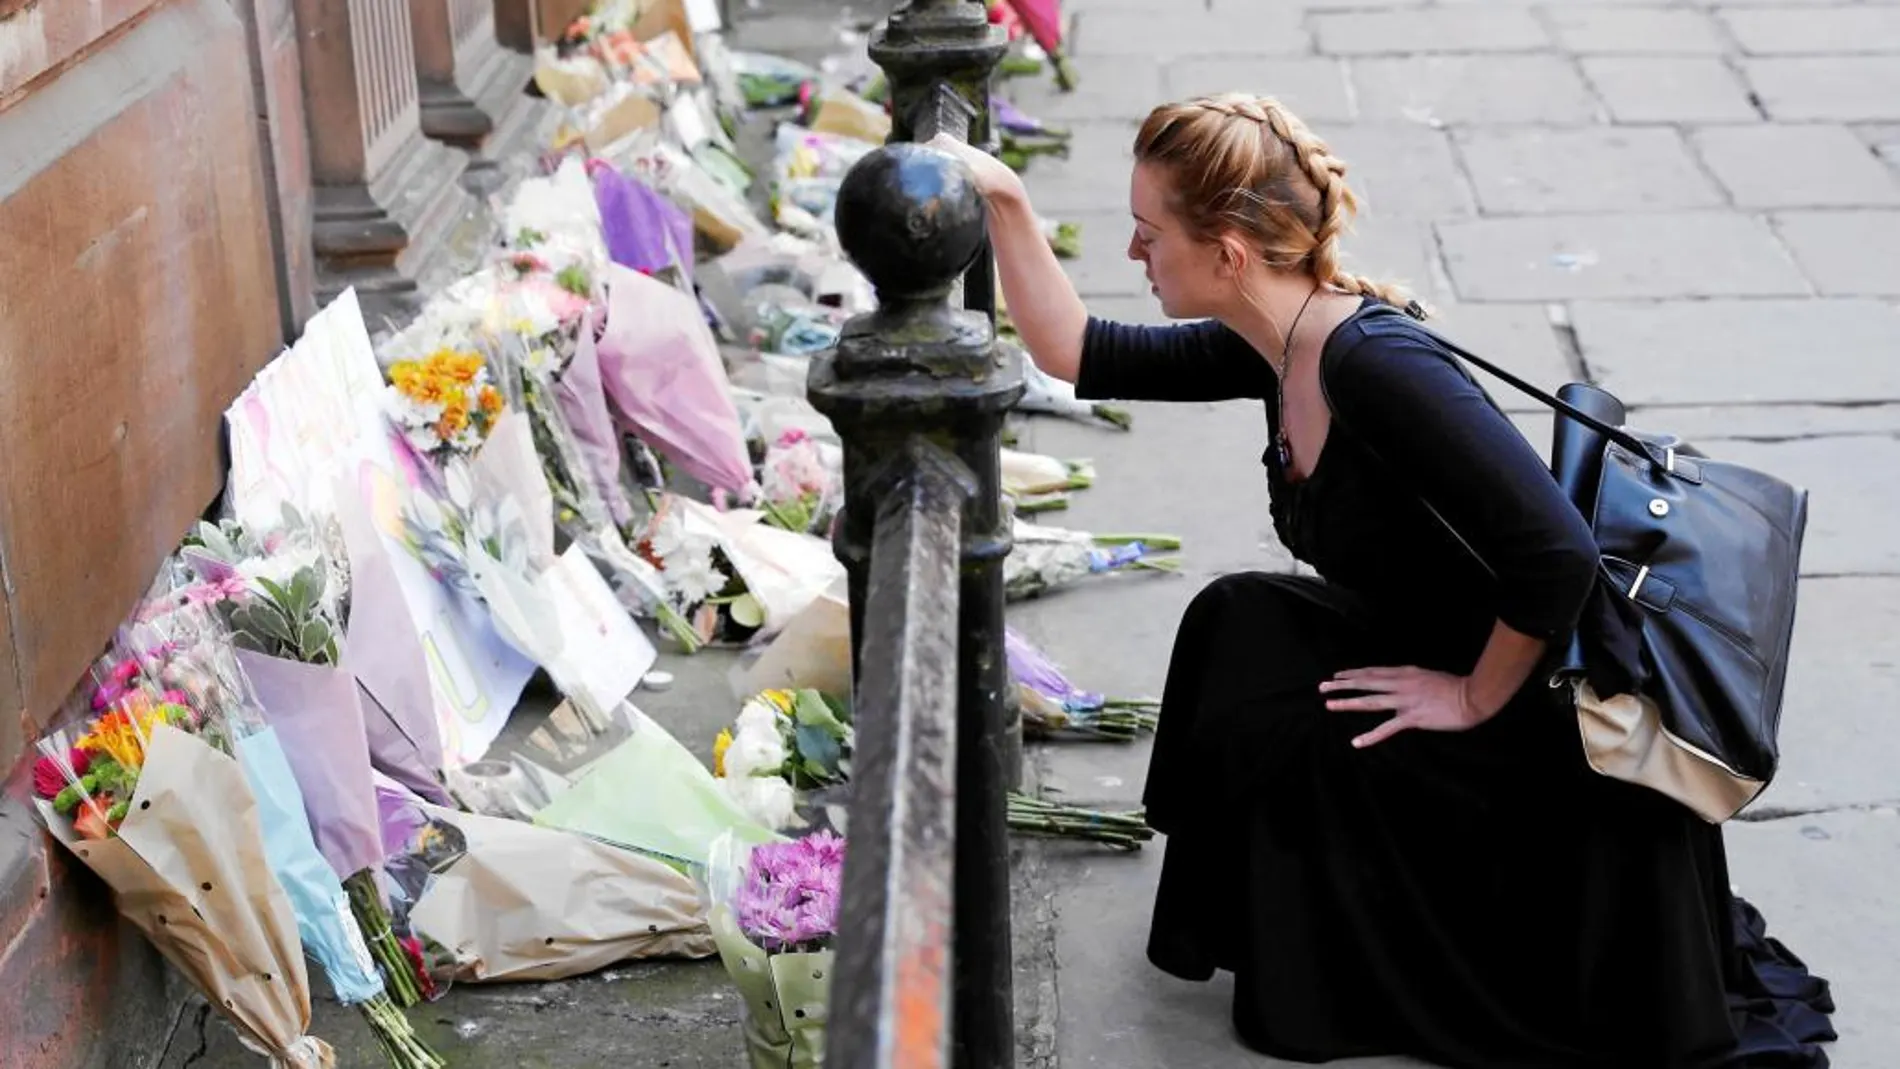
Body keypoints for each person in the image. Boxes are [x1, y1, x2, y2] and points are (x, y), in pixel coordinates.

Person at [929, 95, 1836, 1068]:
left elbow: (1557, 555)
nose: (1134, 253)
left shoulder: (1375, 364)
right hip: (1438, 629)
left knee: (1303, 716)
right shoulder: (1275, 343)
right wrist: (1007, 204)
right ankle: (1293, 933)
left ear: (1229, 252)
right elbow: (1075, 352)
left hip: (1542, 708)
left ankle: (1350, 977)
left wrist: (1468, 695)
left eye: (1149, 235)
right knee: (1240, 624)